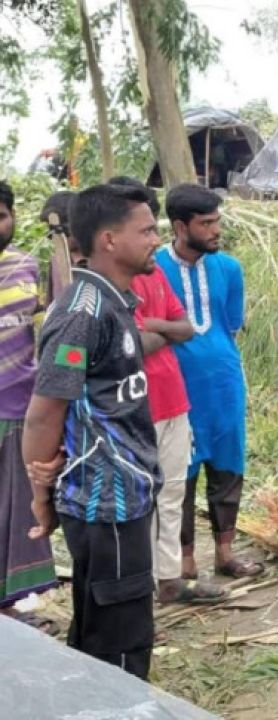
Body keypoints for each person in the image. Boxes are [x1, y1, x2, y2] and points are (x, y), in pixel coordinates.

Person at [22, 183, 162, 679]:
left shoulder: (113, 300)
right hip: (107, 502)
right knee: (120, 643)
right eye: (146, 230)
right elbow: (43, 413)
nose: (156, 239)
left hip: (123, 496)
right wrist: (40, 496)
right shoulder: (81, 315)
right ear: (108, 240)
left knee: (100, 628)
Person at [105, 177, 226, 605]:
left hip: (175, 400)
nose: (152, 240)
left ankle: (169, 579)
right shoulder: (107, 287)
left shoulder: (154, 274)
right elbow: (130, 345)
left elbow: (186, 328)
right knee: (139, 500)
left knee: (172, 493)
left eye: (151, 228)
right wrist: (162, 332)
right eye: (144, 230)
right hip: (137, 406)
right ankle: (139, 584)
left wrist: (151, 327)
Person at [155, 185, 263, 580]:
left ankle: (225, 554)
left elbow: (230, 325)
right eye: (206, 223)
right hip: (177, 388)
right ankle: (184, 561)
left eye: (217, 221)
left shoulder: (229, 269)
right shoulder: (153, 269)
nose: (216, 230)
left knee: (228, 464)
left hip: (224, 382)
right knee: (180, 469)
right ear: (180, 227)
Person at [0, 180, 58, 633]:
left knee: (16, 512)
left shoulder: (26, 267)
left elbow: (46, 331)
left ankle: (7, 606)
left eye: (1, 216)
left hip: (20, 407)